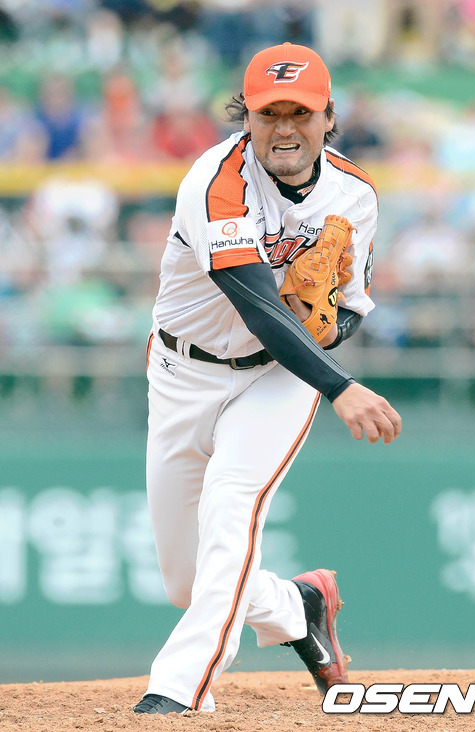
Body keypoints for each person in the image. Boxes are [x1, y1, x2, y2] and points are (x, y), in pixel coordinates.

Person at [134, 42, 402, 716]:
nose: (285, 128)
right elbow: (257, 306)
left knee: (232, 506)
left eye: (301, 113)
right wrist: (340, 385)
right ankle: (298, 605)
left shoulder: (354, 194)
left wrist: (329, 329)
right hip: (182, 371)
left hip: (278, 379)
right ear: (245, 117)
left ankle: (178, 688)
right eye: (269, 113)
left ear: (329, 117)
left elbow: (348, 310)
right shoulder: (215, 183)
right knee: (186, 579)